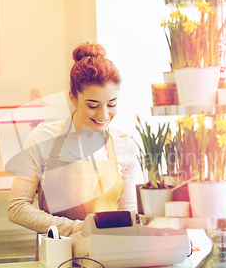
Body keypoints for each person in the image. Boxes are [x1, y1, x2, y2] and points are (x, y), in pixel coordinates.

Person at [8, 42, 138, 237]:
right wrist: (77, 228)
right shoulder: (42, 140)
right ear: (73, 97)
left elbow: (130, 213)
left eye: (111, 104)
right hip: (57, 258)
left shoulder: (124, 145)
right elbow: (17, 208)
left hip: (110, 254)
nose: (103, 114)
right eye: (93, 105)